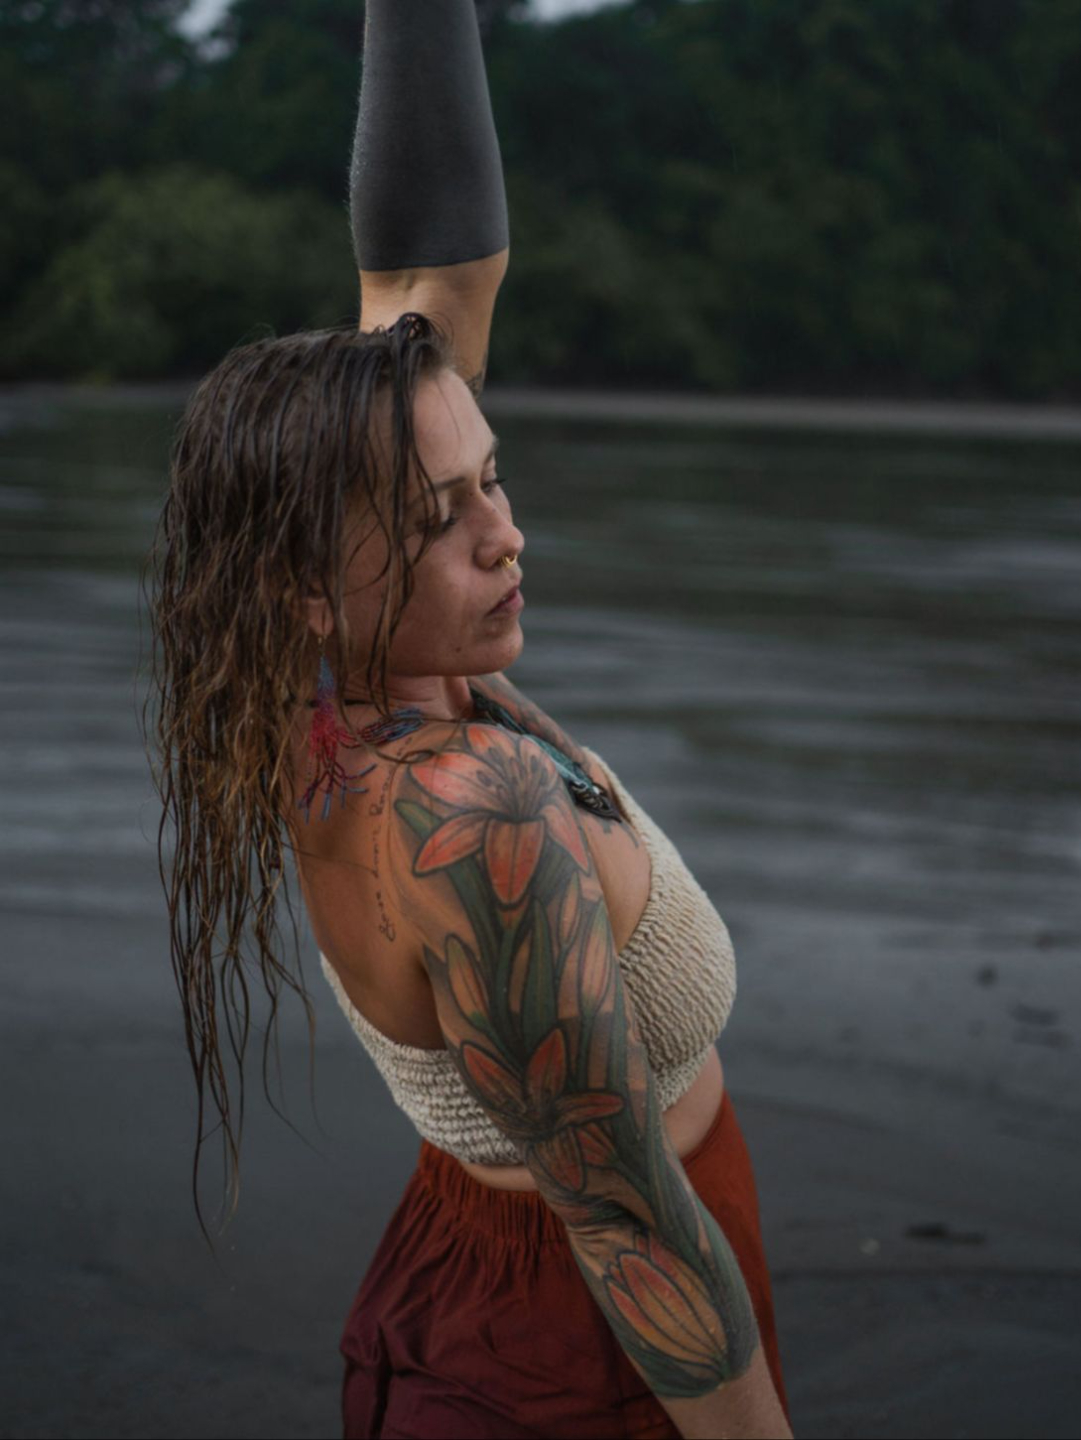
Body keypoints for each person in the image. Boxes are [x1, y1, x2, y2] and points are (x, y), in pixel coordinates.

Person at [148, 3, 793, 1437]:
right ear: (308, 590)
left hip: (512, 1256)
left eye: (491, 478)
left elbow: (429, 268)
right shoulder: (467, 812)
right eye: (441, 517)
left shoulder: (316, 670)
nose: (504, 536)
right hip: (582, 1339)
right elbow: (629, 1230)